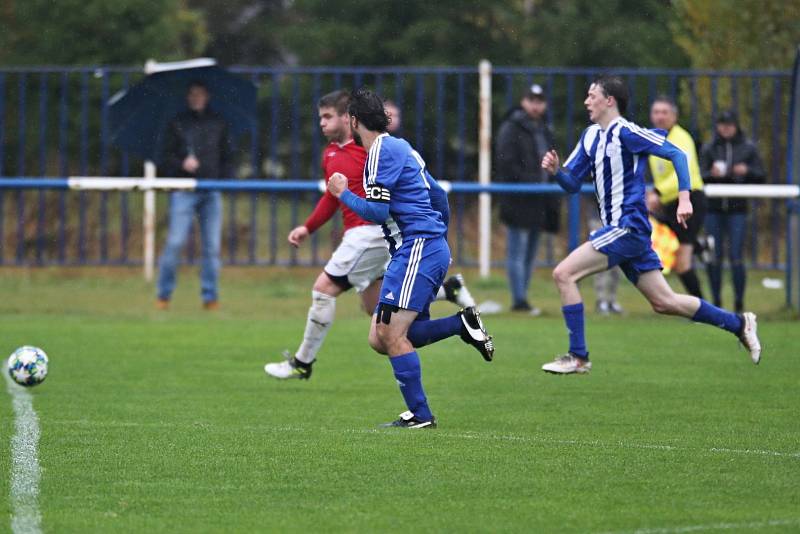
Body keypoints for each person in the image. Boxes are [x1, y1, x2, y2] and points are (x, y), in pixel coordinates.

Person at [539, 75, 761, 375]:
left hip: (627, 226)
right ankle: (739, 323)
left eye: (592, 95)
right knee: (664, 302)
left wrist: (684, 199)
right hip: (625, 232)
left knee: (563, 273)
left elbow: (677, 154)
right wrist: (556, 171)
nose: (586, 101)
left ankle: (578, 356)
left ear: (610, 101)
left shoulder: (627, 132)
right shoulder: (590, 136)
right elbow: (572, 184)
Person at [264, 90, 475, 380]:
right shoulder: (331, 154)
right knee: (375, 313)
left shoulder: (372, 148)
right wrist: (308, 227)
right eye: (320, 118)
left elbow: (397, 191)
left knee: (324, 289)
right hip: (370, 236)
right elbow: (332, 196)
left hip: (372, 234)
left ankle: (303, 361)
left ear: (348, 119)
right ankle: (448, 296)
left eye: (328, 117)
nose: (322, 124)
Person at [328, 88, 494, 428]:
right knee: (380, 337)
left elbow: (376, 212)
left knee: (389, 334)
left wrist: (343, 193)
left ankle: (420, 415)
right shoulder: (402, 147)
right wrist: (439, 241)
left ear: (354, 121)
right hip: (422, 248)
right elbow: (437, 195)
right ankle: (461, 324)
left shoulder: (378, 153)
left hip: (417, 248)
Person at [156, 81, 234, 310]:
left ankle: (210, 296)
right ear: (187, 97)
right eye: (192, 94)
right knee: (175, 242)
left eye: (200, 94)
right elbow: (165, 158)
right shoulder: (177, 123)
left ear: (207, 96)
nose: (196, 98)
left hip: (211, 189)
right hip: (184, 189)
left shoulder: (219, 123)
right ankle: (164, 294)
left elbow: (228, 156)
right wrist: (182, 163)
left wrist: (222, 179)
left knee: (211, 247)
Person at [495, 84, 560, 314]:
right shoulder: (511, 128)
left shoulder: (544, 128)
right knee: (518, 250)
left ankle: (523, 296)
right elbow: (506, 163)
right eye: (532, 99)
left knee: (531, 251)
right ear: (524, 101)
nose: (536, 105)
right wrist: (532, 180)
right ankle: (519, 299)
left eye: (540, 100)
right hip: (519, 198)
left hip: (540, 200)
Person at [700, 110, 766, 313]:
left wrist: (746, 171)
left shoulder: (748, 148)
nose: (726, 128)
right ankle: (716, 301)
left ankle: (739, 302)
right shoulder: (709, 148)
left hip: (738, 209)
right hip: (713, 209)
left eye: (729, 124)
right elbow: (698, 175)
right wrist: (711, 174)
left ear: (736, 125)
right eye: (722, 124)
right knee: (714, 256)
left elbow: (761, 175)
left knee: (736, 256)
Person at [646, 95, 707, 299]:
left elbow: (684, 172)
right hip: (670, 203)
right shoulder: (655, 139)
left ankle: (702, 310)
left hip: (689, 201)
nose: (660, 116)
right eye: (656, 112)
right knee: (668, 251)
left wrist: (658, 192)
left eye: (665, 112)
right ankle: (701, 246)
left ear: (674, 116)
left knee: (681, 263)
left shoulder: (681, 138)